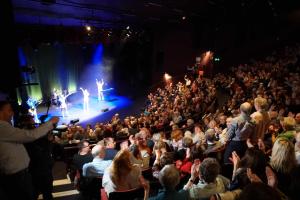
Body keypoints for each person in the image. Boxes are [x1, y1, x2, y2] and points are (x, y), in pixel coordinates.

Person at [0, 101, 59, 200]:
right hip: (18, 176)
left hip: (23, 174)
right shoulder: (2, 127)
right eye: (9, 110)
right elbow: (30, 135)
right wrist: (50, 122)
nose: (12, 113)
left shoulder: (7, 128)